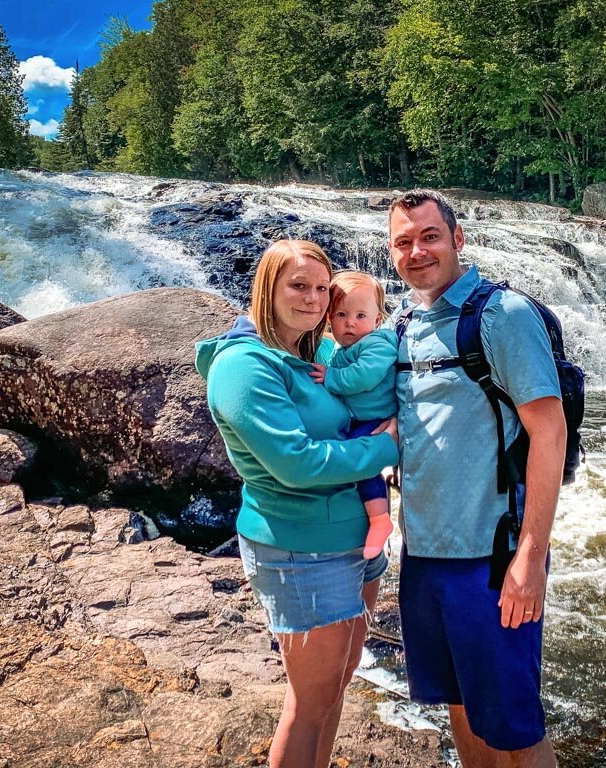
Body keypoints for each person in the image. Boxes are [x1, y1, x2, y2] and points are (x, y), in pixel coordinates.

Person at [194, 239, 399, 768]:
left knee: (336, 685)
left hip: (356, 539)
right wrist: (388, 446)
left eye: (321, 289)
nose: (312, 299)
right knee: (310, 702)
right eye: (297, 286)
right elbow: (297, 463)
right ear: (267, 288)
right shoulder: (244, 367)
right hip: (300, 550)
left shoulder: (318, 352)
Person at [388, 190, 567, 767]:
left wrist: (531, 557)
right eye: (404, 242)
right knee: (460, 708)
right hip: (423, 559)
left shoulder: (503, 315)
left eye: (430, 236)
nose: (417, 251)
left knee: (516, 729)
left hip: (492, 560)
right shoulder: (401, 324)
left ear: (458, 239)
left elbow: (549, 431)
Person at [309, 270, 397, 559]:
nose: (350, 323)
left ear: (378, 320)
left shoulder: (378, 344)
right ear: (328, 318)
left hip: (374, 419)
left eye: (361, 316)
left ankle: (379, 519)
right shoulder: (339, 348)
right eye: (341, 314)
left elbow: (365, 377)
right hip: (357, 417)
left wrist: (332, 378)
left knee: (360, 462)